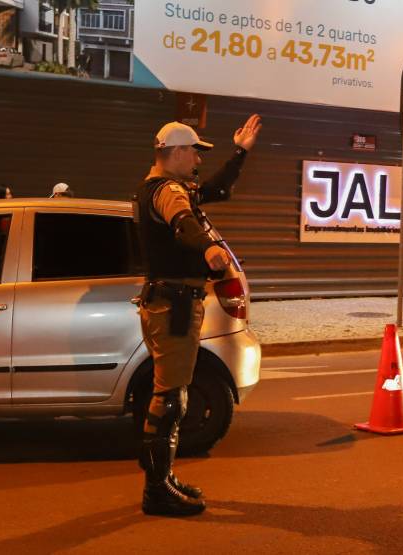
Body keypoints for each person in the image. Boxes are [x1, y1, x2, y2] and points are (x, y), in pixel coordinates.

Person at [134, 114, 261, 517]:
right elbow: (184, 222)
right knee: (169, 399)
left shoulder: (165, 187)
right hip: (173, 305)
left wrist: (239, 153)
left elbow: (213, 190)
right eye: (193, 152)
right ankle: (156, 491)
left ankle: (164, 478)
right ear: (173, 152)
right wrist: (208, 248)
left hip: (172, 302)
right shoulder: (167, 190)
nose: (198, 160)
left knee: (173, 394)